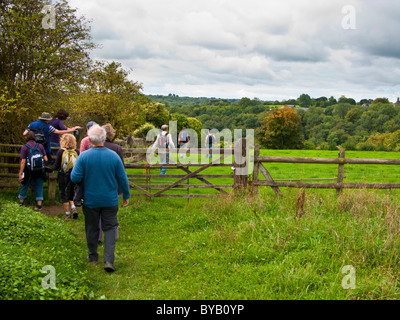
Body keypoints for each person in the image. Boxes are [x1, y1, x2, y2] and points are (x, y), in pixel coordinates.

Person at [71, 124, 130, 272]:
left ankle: (93, 257)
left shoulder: (84, 156)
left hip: (90, 200)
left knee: (91, 227)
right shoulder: (114, 156)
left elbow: (75, 177)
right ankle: (109, 260)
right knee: (110, 228)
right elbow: (123, 178)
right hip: (110, 199)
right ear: (104, 138)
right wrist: (126, 195)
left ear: (90, 139)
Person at [98, 123, 124, 243]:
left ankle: (97, 235)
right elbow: (121, 169)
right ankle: (113, 234)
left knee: (97, 211)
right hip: (112, 183)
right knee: (112, 211)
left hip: (97, 182)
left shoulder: (94, 148)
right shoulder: (117, 148)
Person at [18, 131, 48, 211]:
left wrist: (21, 173)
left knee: (25, 185)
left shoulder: (24, 147)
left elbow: (23, 161)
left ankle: (21, 203)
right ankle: (39, 206)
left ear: (26, 138)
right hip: (39, 170)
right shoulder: (40, 146)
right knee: (39, 186)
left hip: (28, 171)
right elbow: (46, 159)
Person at [53, 134, 80, 220]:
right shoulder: (77, 151)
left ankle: (67, 214)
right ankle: (73, 208)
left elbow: (57, 166)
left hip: (63, 175)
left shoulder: (60, 152)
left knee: (63, 193)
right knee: (71, 192)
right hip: (73, 175)